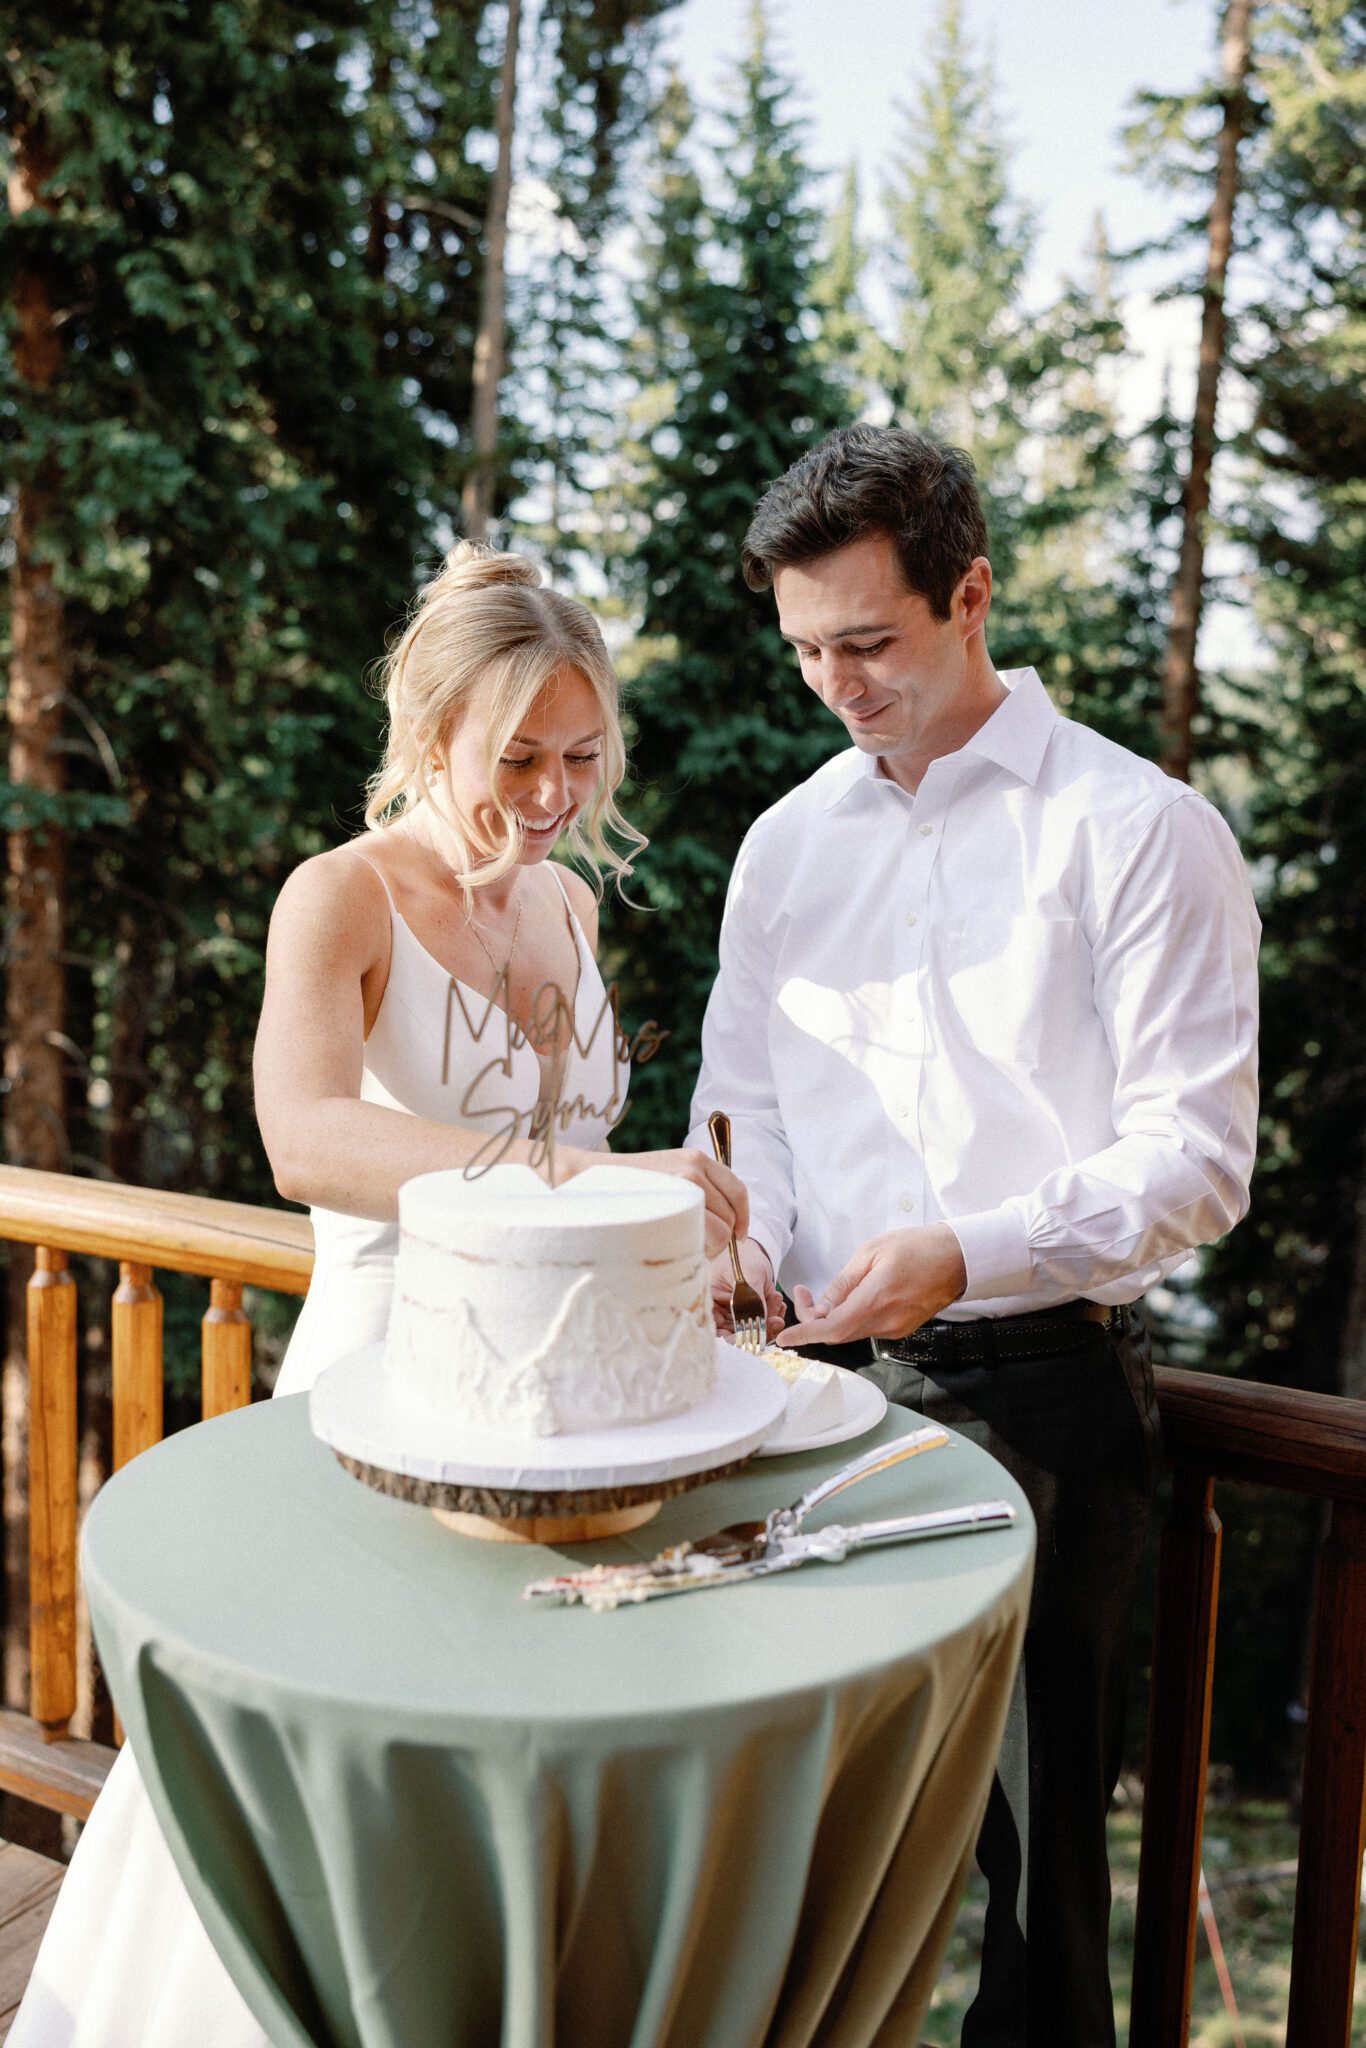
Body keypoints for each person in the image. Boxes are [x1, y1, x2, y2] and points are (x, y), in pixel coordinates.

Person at [11, 543, 746, 2046]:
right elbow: (308, 1140)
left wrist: (687, 1244)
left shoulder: (571, 913)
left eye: (582, 756)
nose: (551, 795)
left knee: (505, 1768)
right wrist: (599, 1184)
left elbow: (599, 1170)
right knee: (331, 1765)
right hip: (380, 1399)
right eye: (517, 758)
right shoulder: (336, 899)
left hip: (557, 1420)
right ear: (429, 739)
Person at [689, 424, 1260, 2048]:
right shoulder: (785, 845)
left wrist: (971, 1247)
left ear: (971, 596)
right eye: (806, 651)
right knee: (773, 1836)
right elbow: (753, 1107)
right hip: (803, 1399)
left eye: (868, 642)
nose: (837, 685)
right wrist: (749, 1239)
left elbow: (1195, 1159)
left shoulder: (1136, 831)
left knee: (1032, 1873)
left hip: (1041, 1409)